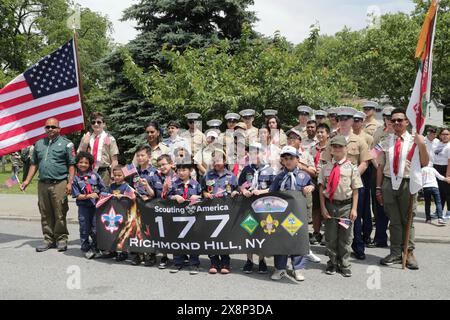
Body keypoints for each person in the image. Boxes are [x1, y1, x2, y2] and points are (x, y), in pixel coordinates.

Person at [376, 108, 429, 270]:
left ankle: (409, 252)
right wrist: (378, 188)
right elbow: (379, 165)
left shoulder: (416, 139)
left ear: (407, 122)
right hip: (388, 183)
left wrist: (421, 145)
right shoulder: (384, 141)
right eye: (394, 120)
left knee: (408, 219)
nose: (397, 123)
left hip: (407, 184)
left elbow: (425, 162)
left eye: (400, 120)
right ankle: (395, 252)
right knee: (394, 220)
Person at [322, 107, 372, 260]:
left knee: (353, 217)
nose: (343, 121)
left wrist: (352, 177)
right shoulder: (332, 140)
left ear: (352, 121)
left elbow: (364, 162)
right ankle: (334, 248)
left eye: (347, 119)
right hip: (333, 185)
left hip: (353, 185)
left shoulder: (360, 140)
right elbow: (325, 161)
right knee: (333, 218)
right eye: (341, 118)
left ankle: (357, 246)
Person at [21, 118, 76, 252]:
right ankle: (48, 239)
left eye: (53, 127)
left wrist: (70, 182)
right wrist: (27, 181)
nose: (50, 129)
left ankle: (61, 238)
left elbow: (71, 165)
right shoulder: (39, 144)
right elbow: (34, 164)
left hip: (60, 183)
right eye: (47, 127)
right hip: (43, 184)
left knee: (60, 211)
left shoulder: (66, 144)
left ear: (59, 129)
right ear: (44, 129)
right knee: (45, 212)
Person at [318, 135, 362, 277]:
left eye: (340, 147)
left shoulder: (352, 168)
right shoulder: (325, 167)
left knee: (345, 237)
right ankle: (332, 263)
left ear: (345, 149)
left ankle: (344, 264)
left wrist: (354, 209)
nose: (337, 149)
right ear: (330, 149)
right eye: (334, 146)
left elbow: (355, 190)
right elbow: (321, 189)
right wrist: (323, 207)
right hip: (330, 206)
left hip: (345, 207)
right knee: (331, 237)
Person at [269, 146, 315, 282]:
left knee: (298, 239)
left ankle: (298, 268)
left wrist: (310, 187)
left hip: (297, 214)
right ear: (282, 161)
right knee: (281, 240)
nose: (288, 161)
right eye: (285, 159)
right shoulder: (279, 177)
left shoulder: (303, 175)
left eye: (291, 158)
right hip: (282, 214)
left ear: (297, 160)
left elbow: (312, 184)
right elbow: (273, 192)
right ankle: (280, 268)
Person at [285, 128, 321, 263]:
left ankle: (306, 250)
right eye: (289, 138)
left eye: (293, 138)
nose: (290, 141)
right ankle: (288, 249)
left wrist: (300, 165)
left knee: (304, 222)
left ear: (300, 141)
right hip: (288, 193)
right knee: (286, 222)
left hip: (303, 192)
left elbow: (314, 172)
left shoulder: (305, 154)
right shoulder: (283, 154)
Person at [239, 142, 275, 274]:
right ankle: (249, 259)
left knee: (261, 231)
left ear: (263, 153)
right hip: (248, 204)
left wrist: (261, 191)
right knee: (249, 230)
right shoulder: (247, 169)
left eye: (257, 152)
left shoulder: (269, 170)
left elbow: (274, 187)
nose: (254, 155)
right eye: (252, 153)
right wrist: (244, 191)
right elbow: (240, 184)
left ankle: (261, 259)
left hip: (263, 205)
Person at [202, 149, 239, 274]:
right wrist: (205, 193)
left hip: (225, 211)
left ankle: (225, 262)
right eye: (214, 160)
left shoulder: (231, 176)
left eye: (218, 160)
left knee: (224, 237)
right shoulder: (207, 175)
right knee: (211, 235)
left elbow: (237, 190)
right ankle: (213, 261)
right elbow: (201, 190)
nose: (216, 162)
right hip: (211, 210)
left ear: (224, 161)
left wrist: (235, 192)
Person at [168, 163, 202, 275]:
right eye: (179, 170)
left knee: (193, 239)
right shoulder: (174, 184)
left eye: (184, 170)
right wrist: (174, 196)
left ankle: (194, 263)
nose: (181, 173)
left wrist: (197, 197)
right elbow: (166, 196)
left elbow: (203, 197)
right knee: (177, 238)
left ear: (190, 171)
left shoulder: (196, 184)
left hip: (192, 217)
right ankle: (178, 261)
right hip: (177, 217)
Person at [71, 152, 106, 259]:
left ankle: (96, 246)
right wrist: (89, 196)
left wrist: (99, 194)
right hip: (83, 207)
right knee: (84, 228)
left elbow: (103, 188)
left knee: (96, 228)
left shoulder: (95, 176)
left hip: (96, 207)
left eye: (86, 163)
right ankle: (85, 247)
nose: (83, 164)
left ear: (90, 164)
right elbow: (76, 195)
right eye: (81, 162)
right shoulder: (76, 179)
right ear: (77, 164)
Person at [104, 165, 136, 262]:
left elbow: (133, 197)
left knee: (123, 233)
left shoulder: (127, 186)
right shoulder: (112, 186)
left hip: (124, 213)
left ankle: (124, 252)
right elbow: (105, 195)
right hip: (112, 213)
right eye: (115, 175)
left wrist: (123, 196)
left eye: (119, 175)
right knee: (113, 232)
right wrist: (109, 195)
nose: (117, 177)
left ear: (124, 175)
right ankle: (112, 250)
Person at [131, 145, 157, 267]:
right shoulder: (134, 171)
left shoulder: (154, 172)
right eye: (138, 156)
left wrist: (146, 187)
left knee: (148, 230)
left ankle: (151, 254)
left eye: (143, 155)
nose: (140, 158)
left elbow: (156, 194)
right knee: (136, 229)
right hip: (135, 204)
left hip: (149, 205)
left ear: (149, 157)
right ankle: (137, 254)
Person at [150, 154, 176, 268]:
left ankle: (179, 256)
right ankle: (164, 256)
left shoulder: (177, 176)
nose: (162, 167)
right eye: (160, 165)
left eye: (164, 164)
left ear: (171, 164)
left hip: (174, 210)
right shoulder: (155, 177)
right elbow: (153, 194)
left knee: (176, 234)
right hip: (160, 209)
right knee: (163, 233)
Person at [78, 112, 119, 185]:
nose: (96, 124)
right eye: (93, 122)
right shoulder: (86, 137)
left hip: (104, 172)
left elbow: (114, 160)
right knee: (89, 194)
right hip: (88, 172)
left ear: (104, 124)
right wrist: (84, 144)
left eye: (99, 122)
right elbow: (79, 157)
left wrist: (113, 176)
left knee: (104, 194)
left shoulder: (109, 138)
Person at [309, 123, 330, 245]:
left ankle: (328, 233)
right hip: (315, 181)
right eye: (318, 132)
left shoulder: (332, 148)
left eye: (322, 132)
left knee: (328, 208)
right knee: (316, 208)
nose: (319, 134)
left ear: (327, 134)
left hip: (328, 183)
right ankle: (316, 232)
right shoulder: (313, 148)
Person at [433, 128, 450, 219]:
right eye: (443, 134)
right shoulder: (438, 144)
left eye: (447, 134)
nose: (445, 136)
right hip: (436, 168)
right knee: (438, 192)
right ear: (440, 135)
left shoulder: (449, 146)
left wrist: (447, 175)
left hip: (446, 169)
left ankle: (449, 211)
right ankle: (439, 210)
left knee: (447, 192)